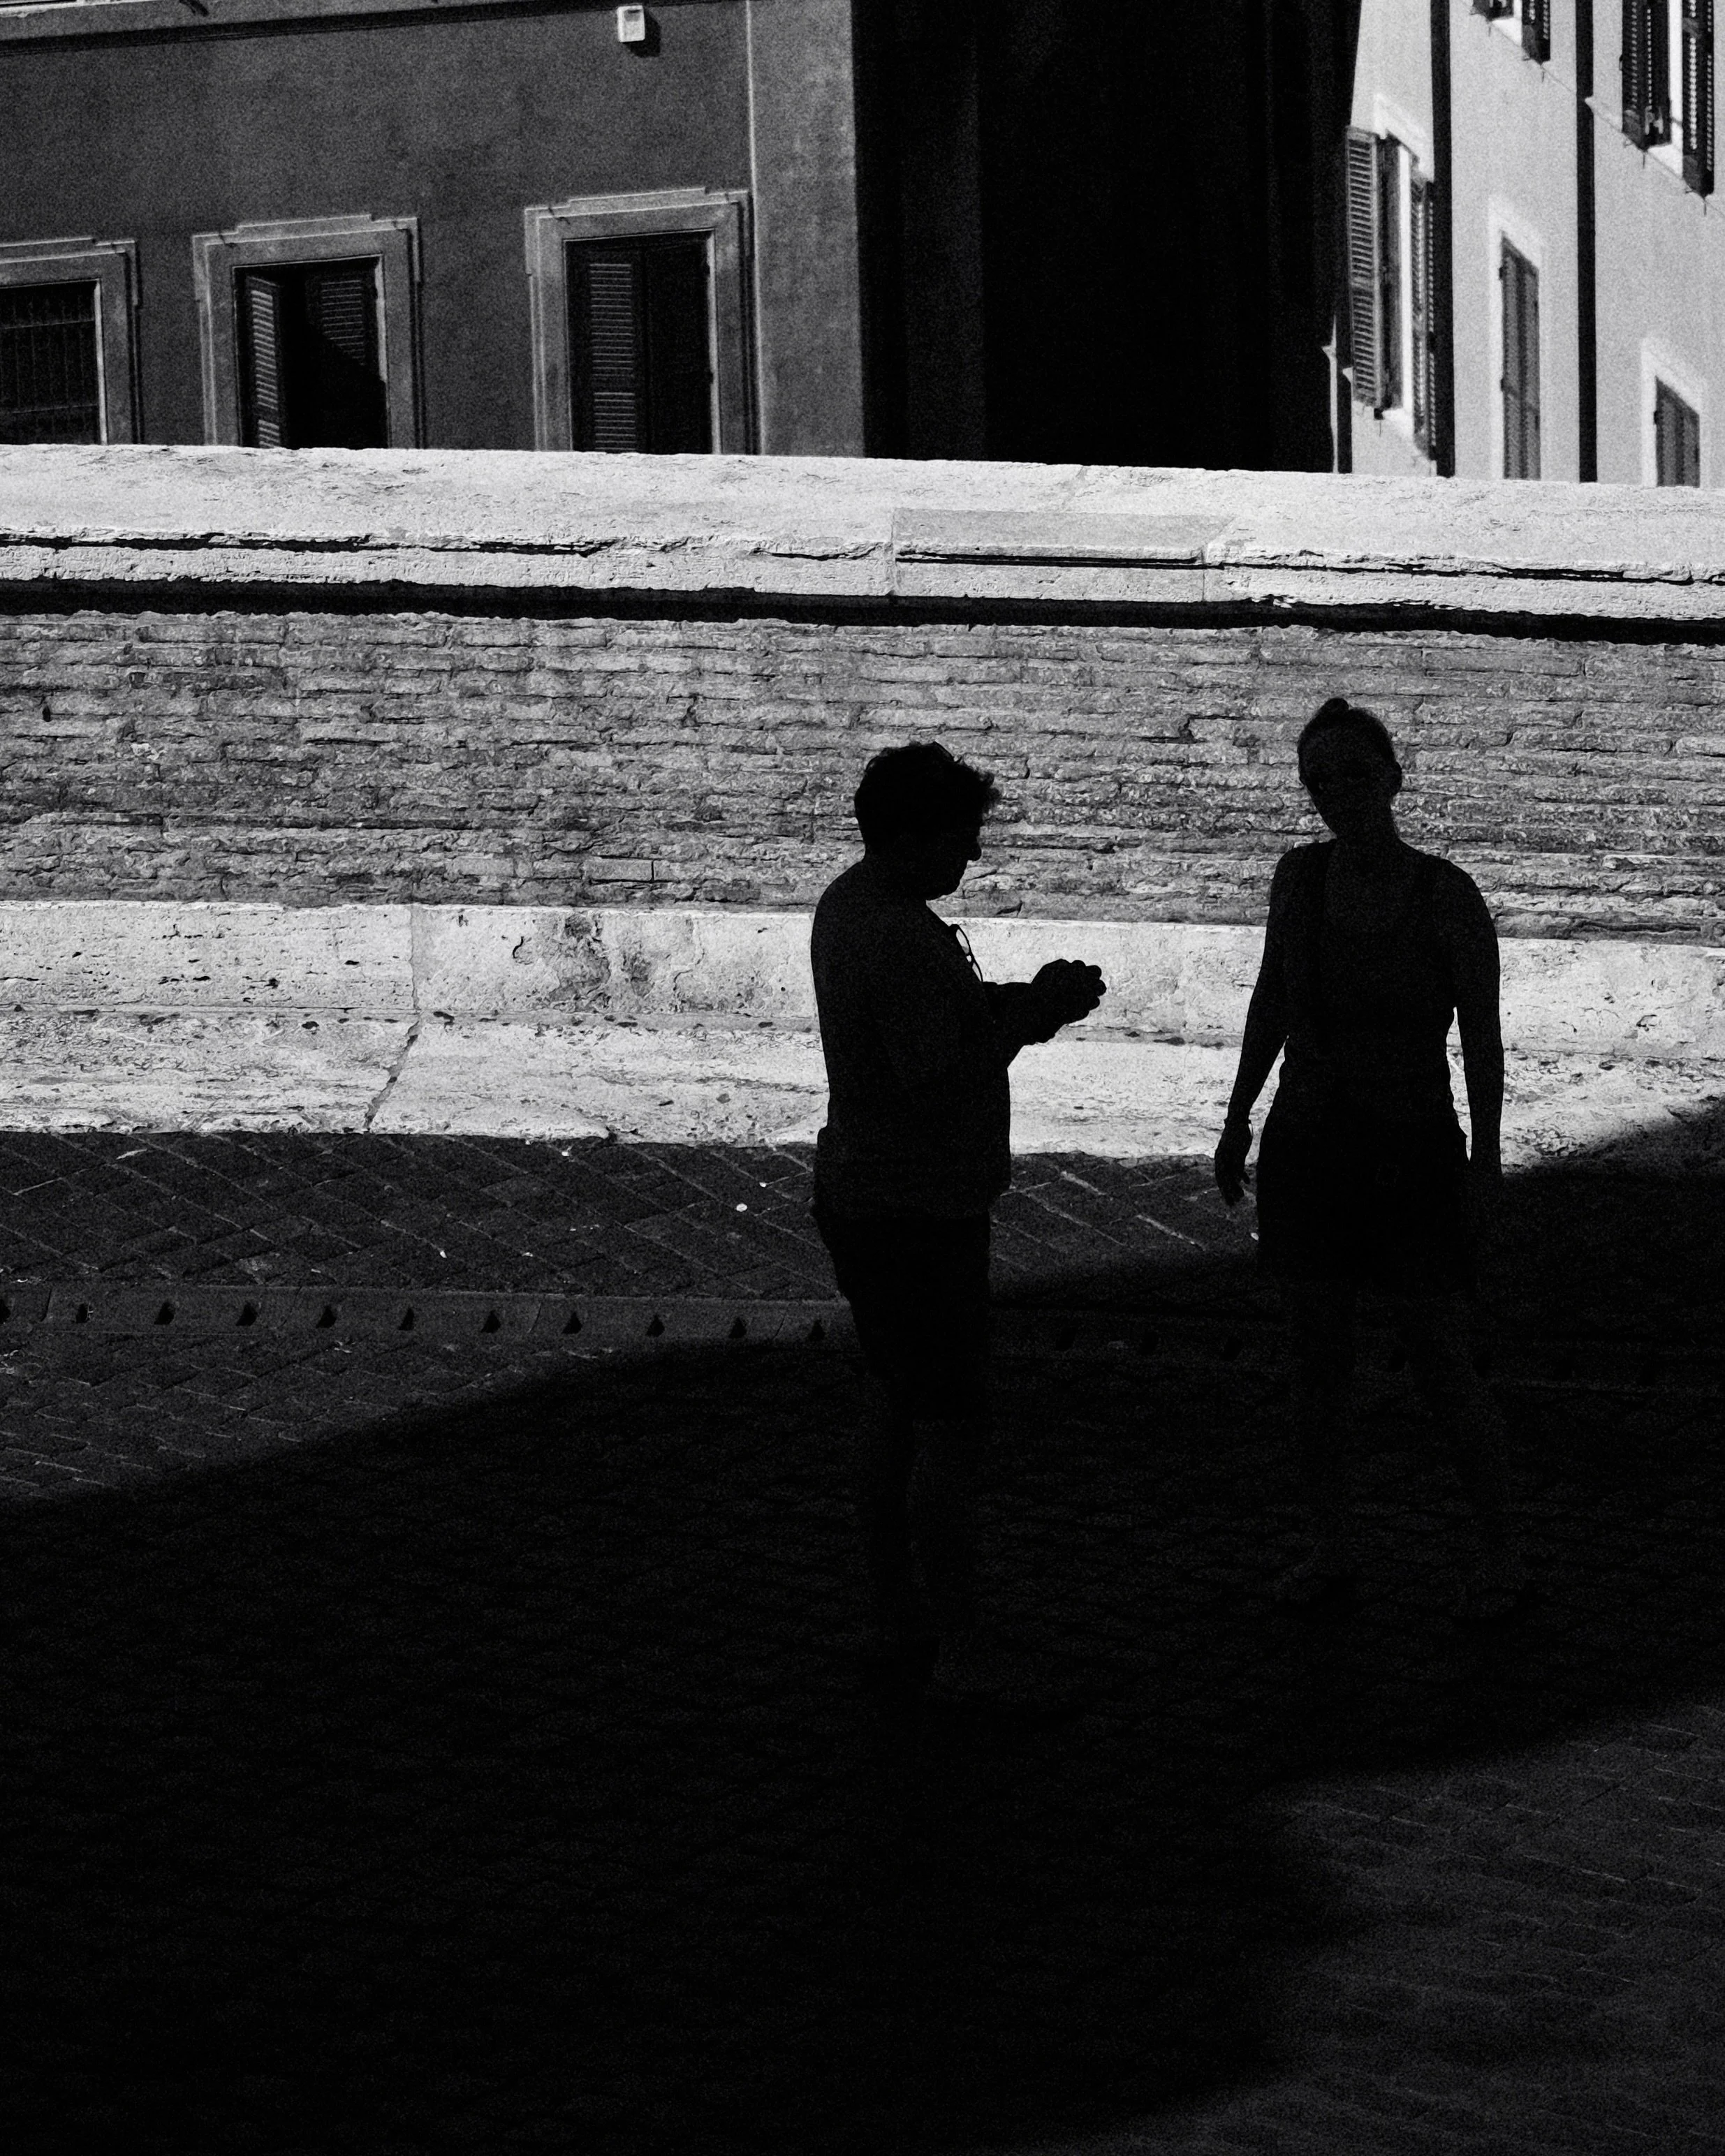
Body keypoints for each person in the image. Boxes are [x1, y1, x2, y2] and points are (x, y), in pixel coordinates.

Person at [1214, 697, 1531, 1623]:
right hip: (1309, 1145)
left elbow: (1481, 1036)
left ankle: (1501, 1551)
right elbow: (1270, 998)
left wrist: (1485, 1163)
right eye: (1320, 779)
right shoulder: (1296, 881)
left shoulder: (1443, 895)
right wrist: (1235, 1118)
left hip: (1409, 1149)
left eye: (1354, 774)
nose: (1337, 794)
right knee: (1316, 1362)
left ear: (1392, 778)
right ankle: (1331, 1547)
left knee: (1439, 1359)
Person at [810, 741, 1106, 1690]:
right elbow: (937, 1075)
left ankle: (896, 1619)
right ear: (912, 832)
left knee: (894, 1411)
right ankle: (962, 1651)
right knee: (947, 1429)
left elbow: (933, 1025)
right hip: (916, 1210)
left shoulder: (853, 909)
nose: (969, 858)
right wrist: (1031, 1018)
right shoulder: (895, 934)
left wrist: (1023, 1004)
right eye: (961, 836)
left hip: (871, 1194)